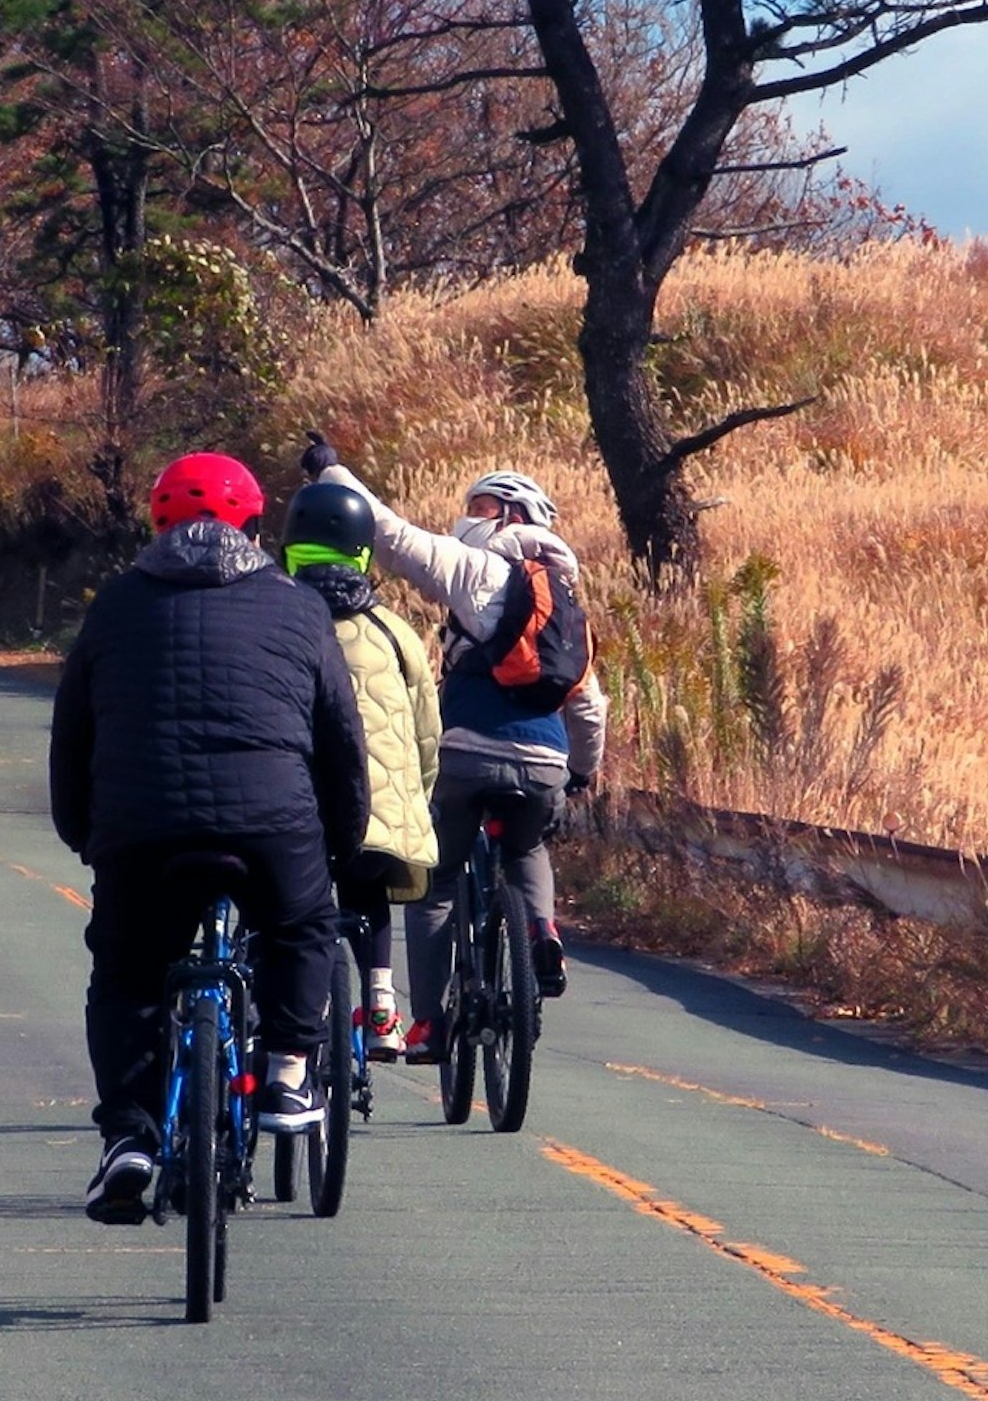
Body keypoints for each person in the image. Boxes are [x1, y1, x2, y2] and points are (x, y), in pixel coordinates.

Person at [49, 449, 367, 1225]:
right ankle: (289, 1070)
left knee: (126, 974)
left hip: (141, 831)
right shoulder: (298, 608)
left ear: (156, 522)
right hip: (271, 823)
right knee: (301, 929)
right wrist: (342, 840)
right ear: (256, 526)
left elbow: (73, 737)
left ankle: (128, 1136)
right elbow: (341, 742)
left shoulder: (117, 605)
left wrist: (85, 833)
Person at [295, 442, 603, 1054]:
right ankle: (543, 931)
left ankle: (431, 1021)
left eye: (482, 505)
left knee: (434, 886)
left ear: (513, 518)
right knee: (528, 845)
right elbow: (589, 705)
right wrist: (579, 774)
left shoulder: (476, 568)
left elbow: (388, 532)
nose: (469, 515)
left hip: (465, 749)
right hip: (544, 759)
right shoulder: (568, 601)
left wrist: (330, 469)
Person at [282, 476, 439, 1060]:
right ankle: (381, 1009)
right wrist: (416, 799)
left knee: (286, 900)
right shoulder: (394, 632)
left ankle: (285, 1013)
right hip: (379, 807)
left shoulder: (277, 621)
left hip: (294, 806)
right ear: (364, 553)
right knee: (367, 889)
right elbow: (427, 732)